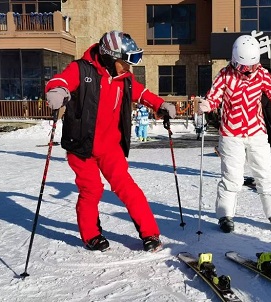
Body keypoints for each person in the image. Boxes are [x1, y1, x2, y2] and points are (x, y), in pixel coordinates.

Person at [45, 30, 176, 252]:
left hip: (110, 147)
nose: (128, 67)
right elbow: (61, 80)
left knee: (127, 187)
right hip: (81, 146)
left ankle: (150, 233)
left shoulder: (124, 80)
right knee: (92, 189)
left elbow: (142, 94)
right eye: (125, 62)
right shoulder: (81, 69)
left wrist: (160, 104)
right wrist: (57, 90)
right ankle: (92, 235)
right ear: (109, 56)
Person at [196, 34, 271, 233]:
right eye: (242, 67)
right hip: (231, 133)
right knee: (232, 177)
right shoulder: (225, 75)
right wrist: (206, 104)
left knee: (265, 174)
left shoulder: (263, 75)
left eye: (252, 66)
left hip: (256, 132)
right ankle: (225, 215)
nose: (248, 72)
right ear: (234, 60)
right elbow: (213, 97)